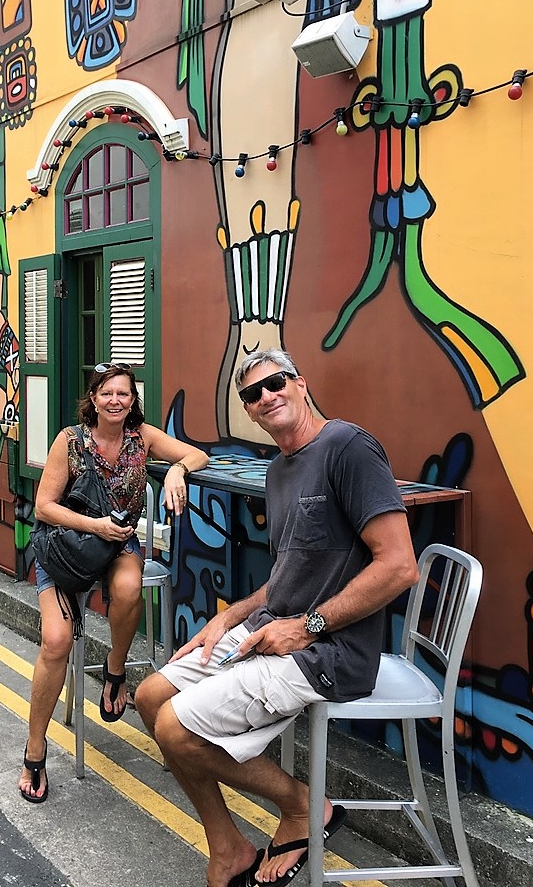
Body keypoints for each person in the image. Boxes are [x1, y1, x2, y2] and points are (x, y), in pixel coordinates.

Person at [134, 348, 419, 887]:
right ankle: (228, 847)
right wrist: (227, 618)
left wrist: (307, 627)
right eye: (252, 393)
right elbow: (283, 581)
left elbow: (400, 567)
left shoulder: (348, 448)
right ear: (249, 409)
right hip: (270, 629)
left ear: (300, 383)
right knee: (150, 697)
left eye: (276, 382)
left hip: (328, 651)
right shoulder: (279, 470)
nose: (266, 396)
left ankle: (304, 806)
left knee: (175, 728)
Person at [19, 362, 208, 803]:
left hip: (118, 545)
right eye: (107, 393)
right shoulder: (70, 440)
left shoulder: (143, 438)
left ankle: (115, 671)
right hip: (65, 547)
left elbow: (197, 455)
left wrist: (177, 470)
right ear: (94, 398)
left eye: (123, 393)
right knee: (56, 642)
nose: (116, 401)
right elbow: (44, 507)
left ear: (132, 399)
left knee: (128, 588)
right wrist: (95, 526)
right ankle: (35, 748)